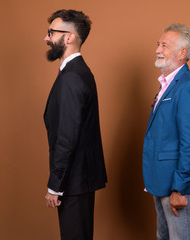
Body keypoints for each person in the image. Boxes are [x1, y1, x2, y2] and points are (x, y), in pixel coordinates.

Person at [43, 9, 107, 240]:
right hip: (80, 178)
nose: (46, 38)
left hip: (73, 180)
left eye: (51, 32)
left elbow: (67, 135)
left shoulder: (72, 76)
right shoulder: (78, 71)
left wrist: (55, 184)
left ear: (69, 37)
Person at [142, 23, 190, 240]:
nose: (158, 50)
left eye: (164, 46)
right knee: (164, 237)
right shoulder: (168, 84)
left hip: (176, 186)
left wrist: (179, 189)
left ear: (182, 53)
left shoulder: (188, 86)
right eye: (158, 44)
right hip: (161, 182)